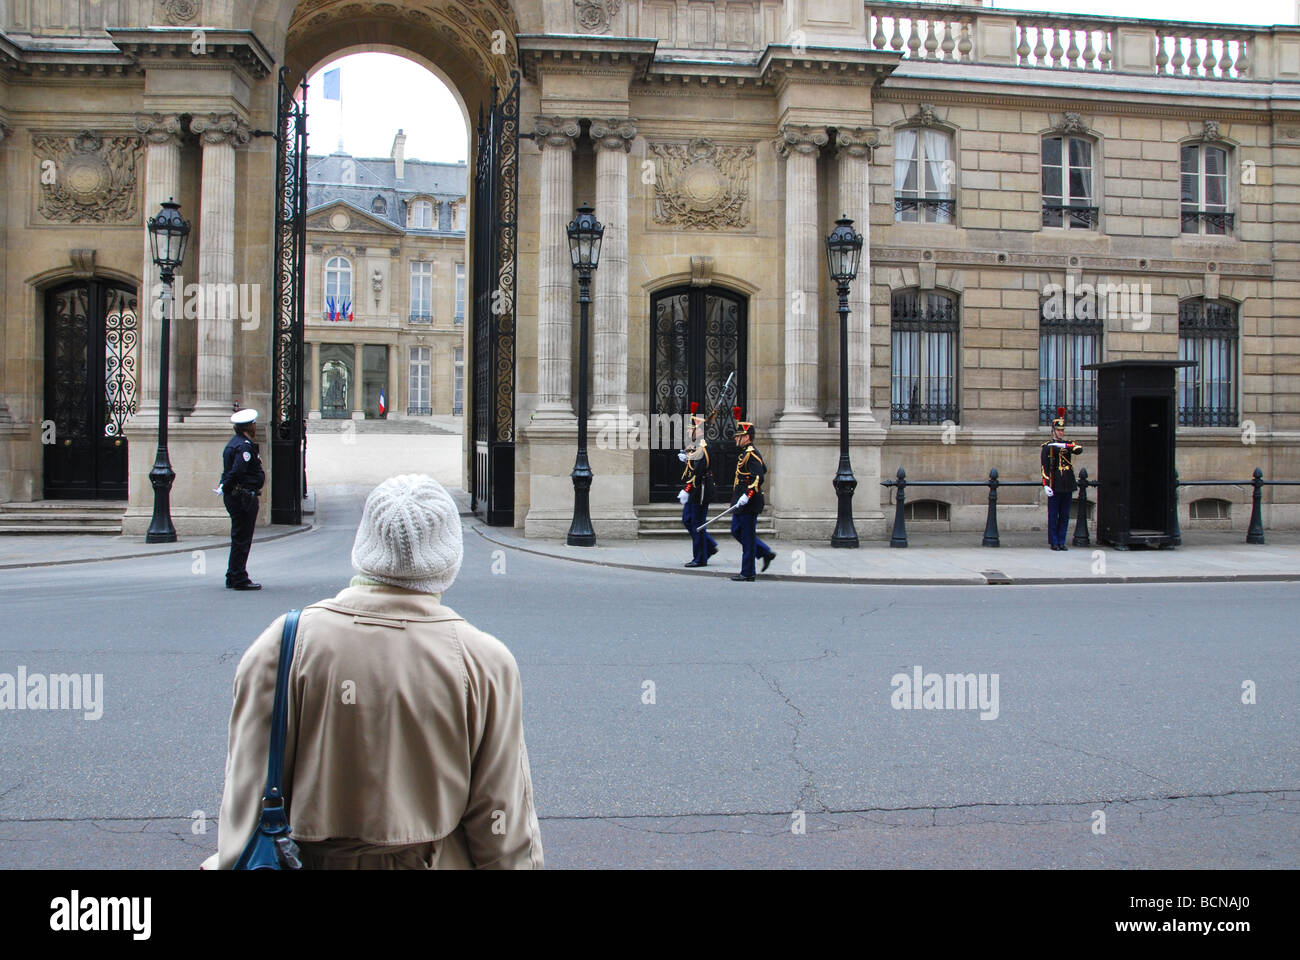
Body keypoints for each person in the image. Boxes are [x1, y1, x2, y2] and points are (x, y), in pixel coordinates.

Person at [203, 474, 544, 870]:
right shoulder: (484, 660)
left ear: (363, 545)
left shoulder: (283, 643)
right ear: (449, 558)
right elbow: (500, 822)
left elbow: (246, 801)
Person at [729, 407, 776, 582]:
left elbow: (759, 476)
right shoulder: (745, 454)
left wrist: (748, 495)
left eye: (738, 436)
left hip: (749, 502)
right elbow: (762, 468)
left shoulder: (751, 455)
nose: (736, 438)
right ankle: (764, 552)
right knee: (736, 531)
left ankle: (748, 572)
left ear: (746, 437)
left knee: (747, 537)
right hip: (741, 501)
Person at [220, 409, 265, 590]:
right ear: (249, 426)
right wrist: (226, 486)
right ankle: (239, 577)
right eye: (254, 424)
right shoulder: (244, 446)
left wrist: (224, 486)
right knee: (243, 538)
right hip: (243, 496)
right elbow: (237, 471)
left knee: (238, 536)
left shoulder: (234, 443)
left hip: (237, 496)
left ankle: (233, 574)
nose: (255, 426)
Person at [677, 402, 718, 568]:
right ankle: (709, 546)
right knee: (687, 520)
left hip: (699, 490)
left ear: (699, 431)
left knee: (697, 524)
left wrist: (686, 490)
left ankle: (700, 557)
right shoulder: (694, 446)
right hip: (693, 489)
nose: (688, 432)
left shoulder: (702, 448)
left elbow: (699, 471)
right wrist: (685, 456)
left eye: (691, 429)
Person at [1041, 406, 1084, 551]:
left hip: (1067, 483)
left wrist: (1064, 444)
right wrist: (1046, 484)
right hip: (1055, 483)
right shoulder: (1047, 447)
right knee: (1054, 515)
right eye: (1059, 430)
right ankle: (1054, 541)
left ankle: (1061, 540)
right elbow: (1044, 467)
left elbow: (1079, 449)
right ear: (1053, 430)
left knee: (1065, 515)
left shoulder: (1067, 444)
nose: (1061, 432)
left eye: (1062, 430)